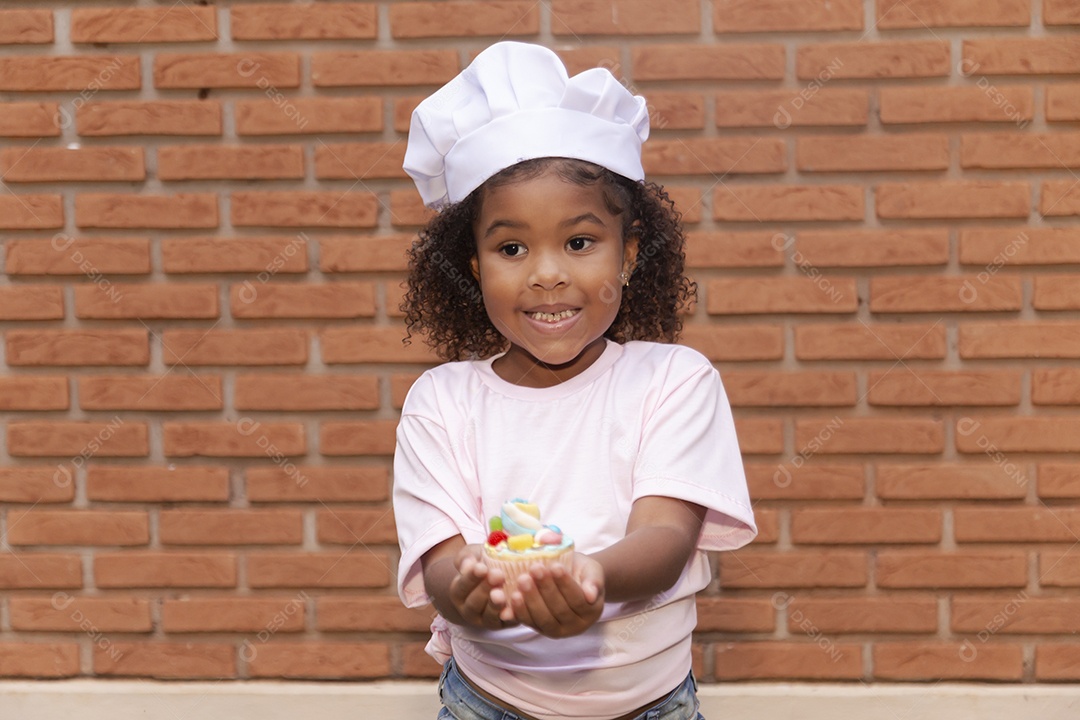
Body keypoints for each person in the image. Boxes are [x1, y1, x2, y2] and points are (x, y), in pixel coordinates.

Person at [393, 41, 757, 720]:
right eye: (510, 248)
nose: (547, 273)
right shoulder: (441, 404)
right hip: (490, 702)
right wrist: (470, 589)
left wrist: (592, 577)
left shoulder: (674, 382)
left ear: (631, 252)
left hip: (652, 705)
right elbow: (442, 564)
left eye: (580, 242)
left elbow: (665, 540)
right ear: (473, 267)